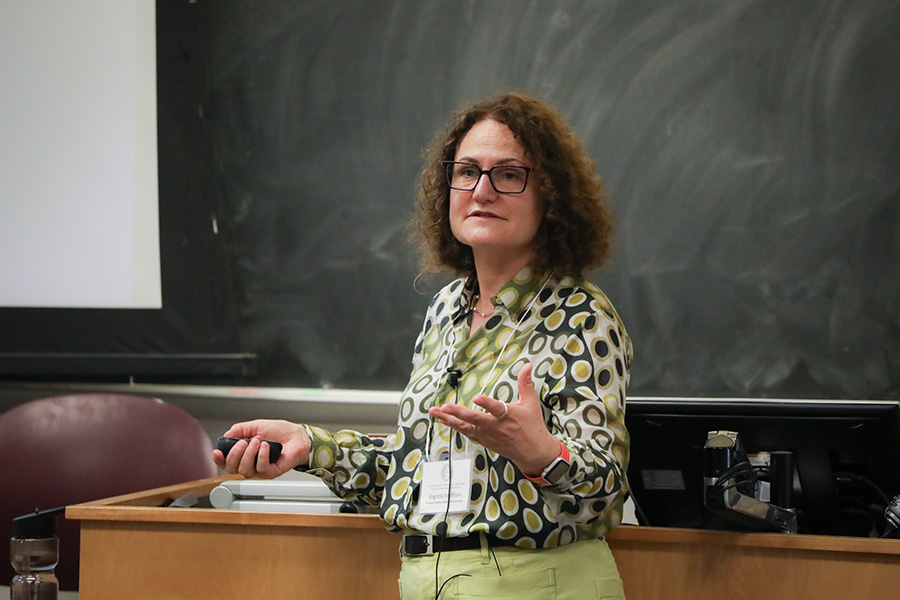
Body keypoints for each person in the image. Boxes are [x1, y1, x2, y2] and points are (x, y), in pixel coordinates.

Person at [214, 91, 632, 600]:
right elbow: (411, 468)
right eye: (467, 171)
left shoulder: (580, 314)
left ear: (551, 196)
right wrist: (312, 446)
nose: (482, 190)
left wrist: (541, 453)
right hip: (425, 581)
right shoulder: (446, 311)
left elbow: (605, 483)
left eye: (508, 174)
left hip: (537, 584)